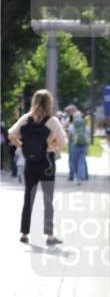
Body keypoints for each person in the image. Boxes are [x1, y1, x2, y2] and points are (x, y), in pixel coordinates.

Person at [9, 89, 67, 245]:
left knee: (28, 197)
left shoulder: (26, 119)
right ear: (49, 103)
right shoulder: (52, 121)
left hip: (30, 162)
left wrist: (22, 145)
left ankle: (24, 233)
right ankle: (49, 236)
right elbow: (62, 142)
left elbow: (11, 134)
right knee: (48, 199)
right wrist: (50, 144)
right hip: (47, 162)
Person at [69, 111, 89, 184]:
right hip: (84, 145)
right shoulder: (85, 125)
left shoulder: (72, 125)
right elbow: (88, 133)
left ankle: (77, 176)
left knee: (74, 162)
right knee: (82, 160)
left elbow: (70, 135)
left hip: (74, 145)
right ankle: (82, 175)